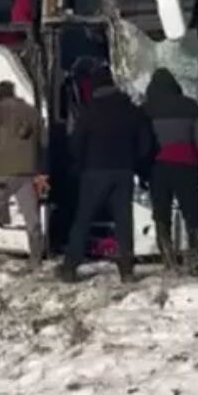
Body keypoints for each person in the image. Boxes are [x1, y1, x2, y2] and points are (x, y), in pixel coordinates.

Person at [59, 66, 154, 283]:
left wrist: (81, 164)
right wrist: (134, 162)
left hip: (95, 172)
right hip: (124, 172)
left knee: (84, 218)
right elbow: (145, 144)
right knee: (123, 220)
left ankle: (70, 266)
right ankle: (127, 271)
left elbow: (76, 144)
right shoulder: (132, 110)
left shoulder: (90, 111)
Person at [0, 80, 47, 268]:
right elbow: (43, 143)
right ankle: (36, 259)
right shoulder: (32, 112)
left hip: (1, 173)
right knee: (32, 218)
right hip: (27, 173)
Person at [142, 68, 198, 270]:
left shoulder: (146, 109)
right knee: (192, 214)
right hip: (186, 164)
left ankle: (169, 260)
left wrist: (142, 169)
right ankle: (196, 256)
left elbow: (143, 143)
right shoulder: (191, 107)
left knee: (161, 215)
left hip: (157, 166)